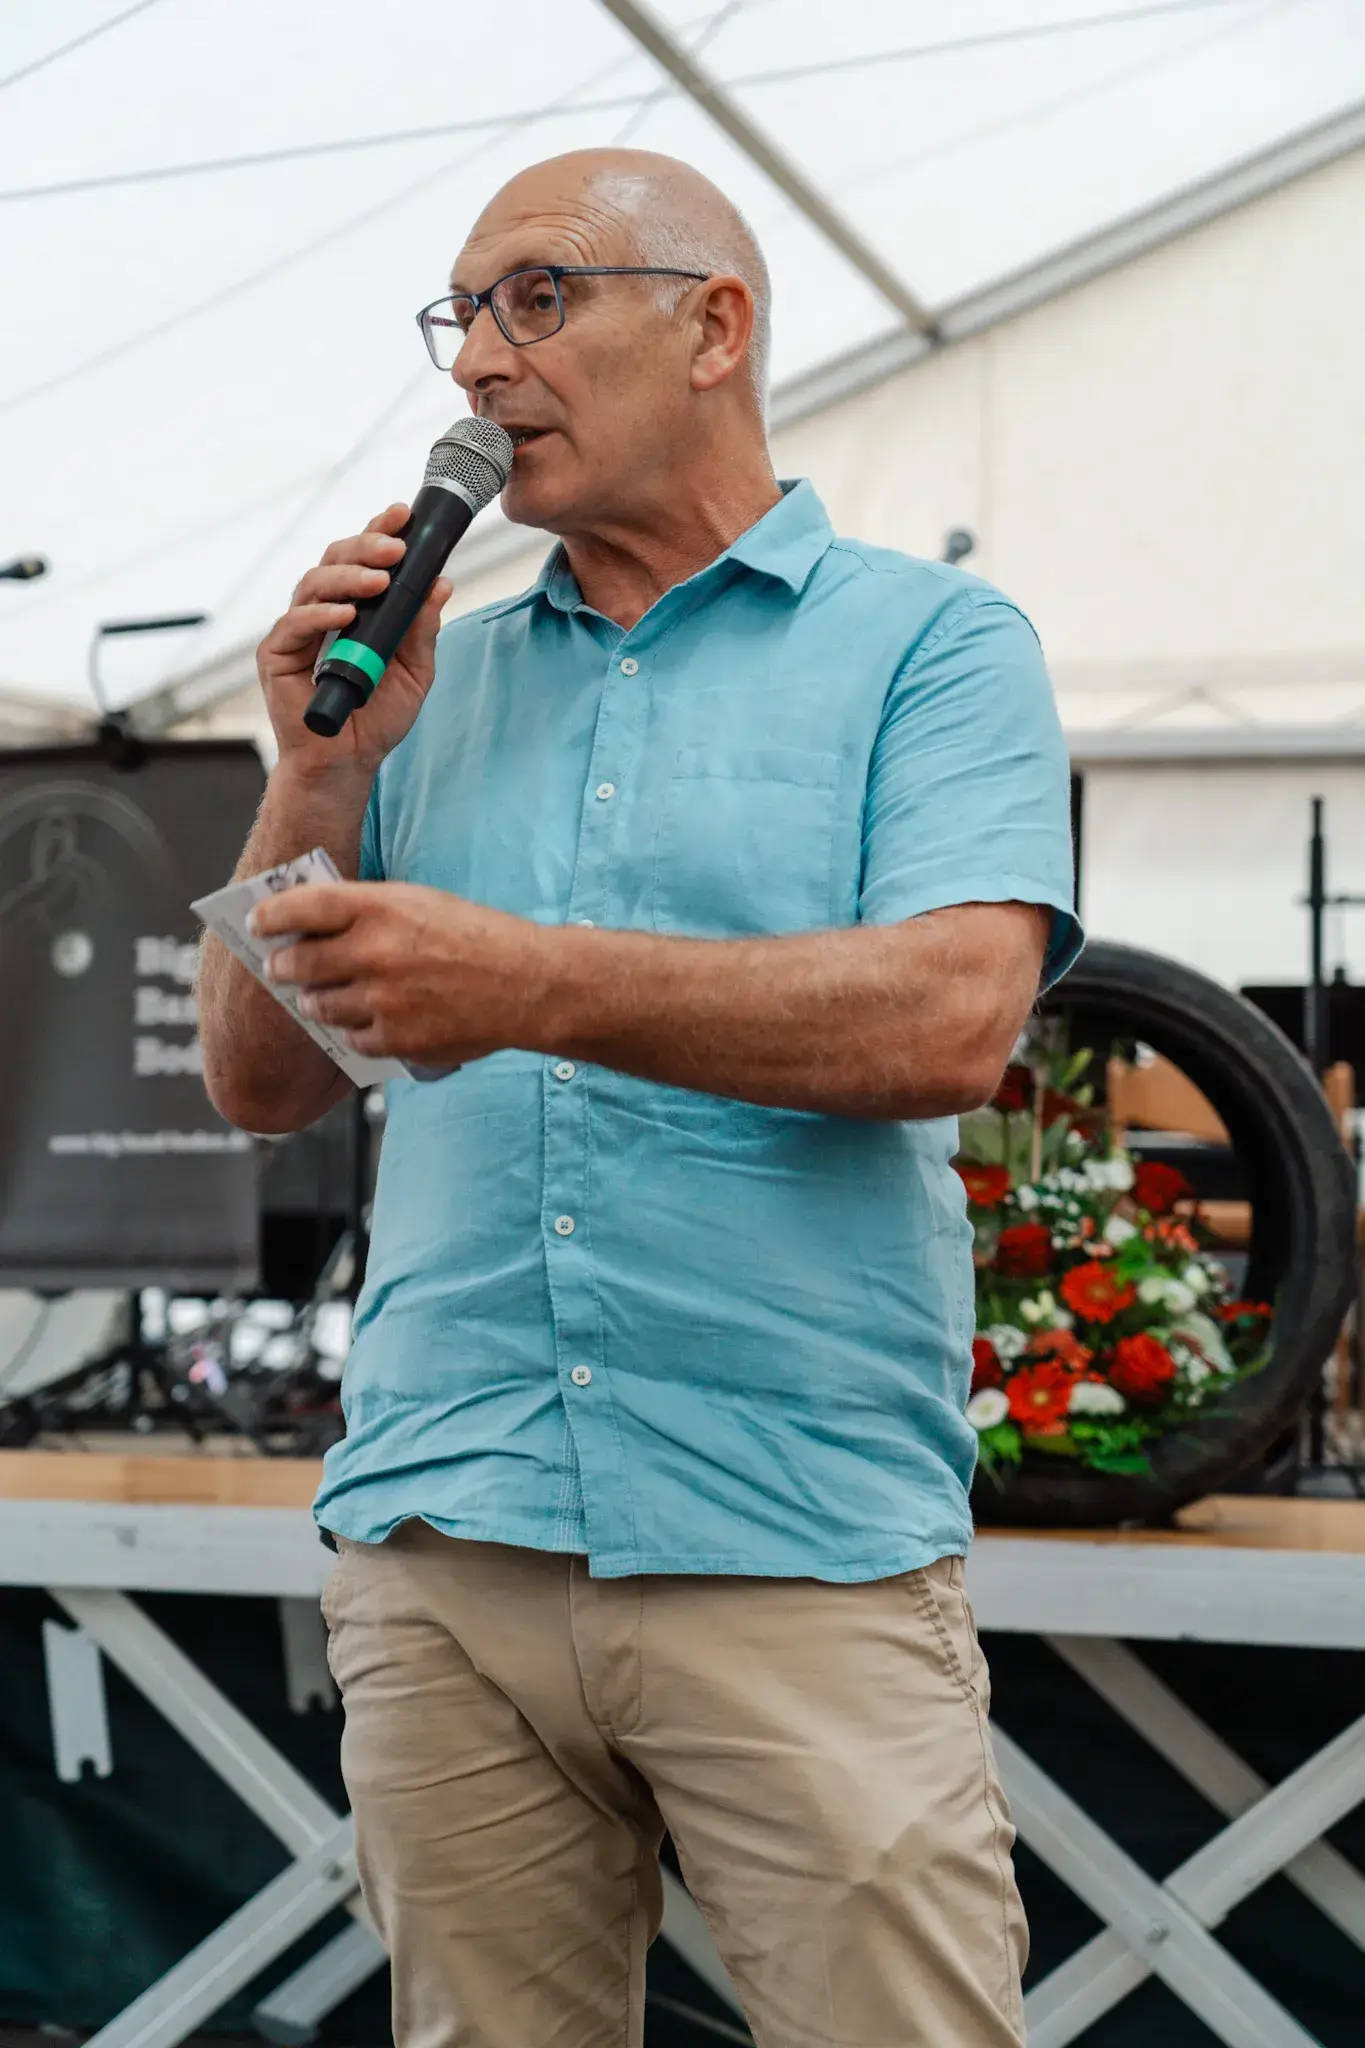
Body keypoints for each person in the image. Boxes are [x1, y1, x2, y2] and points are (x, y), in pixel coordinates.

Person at [199, 147, 1081, 2048]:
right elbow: (259, 1084)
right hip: (446, 1532)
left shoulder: (933, 645)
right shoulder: (429, 680)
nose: (477, 364)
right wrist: (317, 777)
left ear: (714, 326)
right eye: (461, 320)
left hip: (793, 1536)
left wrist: (529, 982)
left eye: (535, 298)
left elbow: (953, 1020)